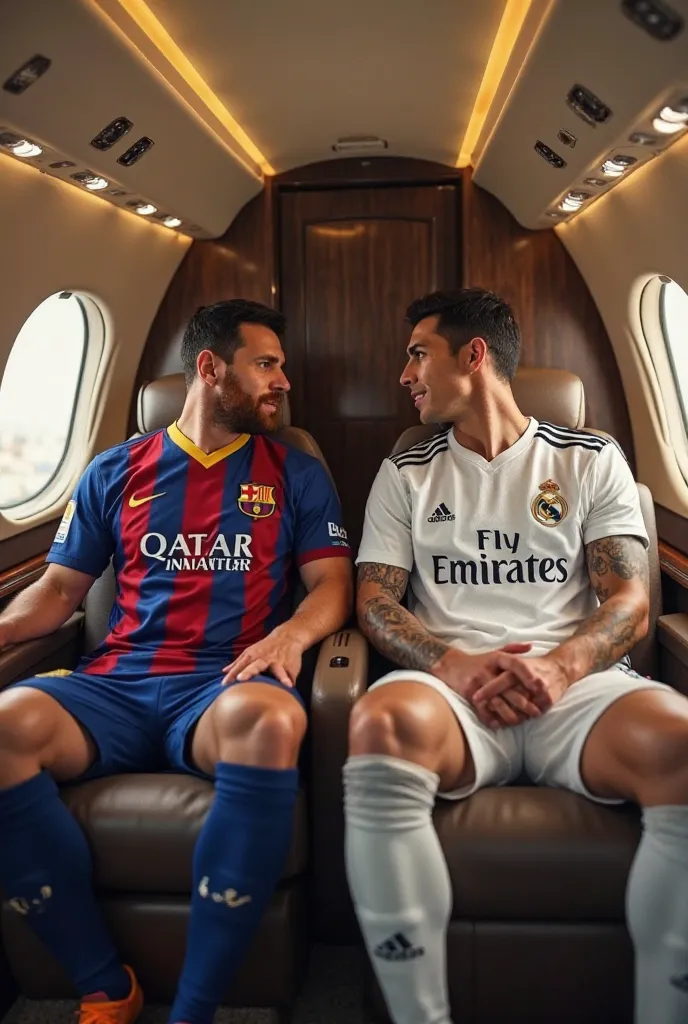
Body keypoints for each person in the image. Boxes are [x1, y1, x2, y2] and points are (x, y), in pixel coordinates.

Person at [0, 299, 353, 1024]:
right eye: (266, 364)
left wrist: (290, 637)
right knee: (4, 724)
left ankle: (194, 1009)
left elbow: (333, 586)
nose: (282, 380)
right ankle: (104, 987)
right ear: (209, 368)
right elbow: (57, 592)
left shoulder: (296, 473)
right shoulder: (114, 470)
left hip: (223, 684)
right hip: (117, 684)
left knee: (270, 724)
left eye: (281, 367)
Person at [344, 288, 688, 1024]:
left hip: (577, 689)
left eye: (417, 354)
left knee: (683, 743)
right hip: (452, 690)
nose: (404, 376)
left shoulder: (591, 459)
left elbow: (629, 602)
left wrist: (559, 668)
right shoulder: (404, 473)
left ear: (474, 356)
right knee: (378, 723)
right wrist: (454, 665)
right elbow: (375, 603)